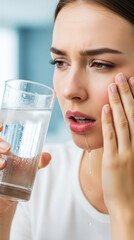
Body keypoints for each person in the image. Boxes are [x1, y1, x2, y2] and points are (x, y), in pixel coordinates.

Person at [0, 0, 134, 239]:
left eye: (100, 64)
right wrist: (2, 215)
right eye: (60, 62)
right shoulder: (38, 175)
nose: (70, 90)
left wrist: (125, 211)